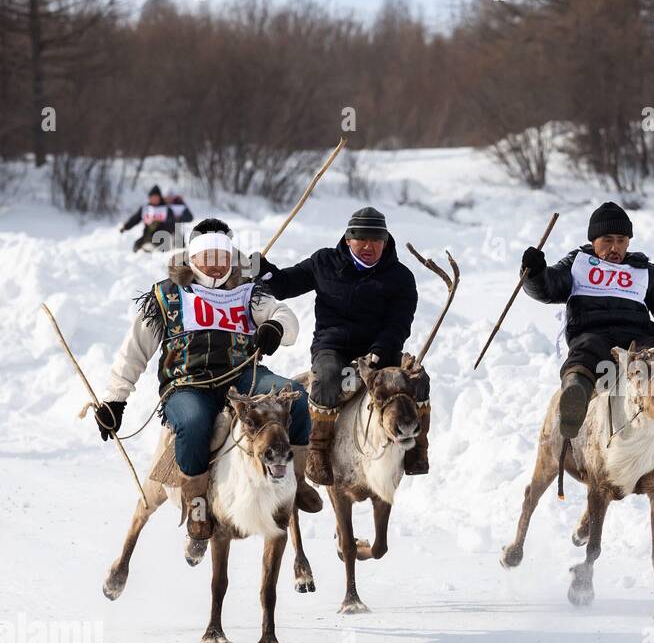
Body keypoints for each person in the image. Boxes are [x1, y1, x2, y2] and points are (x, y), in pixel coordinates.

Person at [93, 218, 318, 558]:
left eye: (222, 256)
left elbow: (287, 318)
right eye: (206, 256)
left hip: (244, 377)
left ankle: (296, 481)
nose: (215, 263)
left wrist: (274, 327)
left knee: (297, 398)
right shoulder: (168, 295)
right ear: (192, 259)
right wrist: (115, 399)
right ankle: (197, 506)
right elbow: (134, 350)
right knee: (195, 422)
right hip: (188, 382)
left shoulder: (248, 291)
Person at [257, 207, 424, 486]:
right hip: (333, 347)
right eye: (362, 240)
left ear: (385, 241)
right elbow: (285, 285)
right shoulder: (324, 262)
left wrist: (381, 351)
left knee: (419, 380)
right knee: (327, 377)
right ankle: (319, 450)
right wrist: (264, 272)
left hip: (381, 350)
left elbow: (399, 324)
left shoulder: (400, 277)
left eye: (377, 240)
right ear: (348, 239)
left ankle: (418, 449)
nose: (369, 246)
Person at [519, 201, 654, 439]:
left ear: (628, 241)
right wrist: (534, 272)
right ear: (593, 241)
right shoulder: (578, 265)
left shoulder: (645, 272)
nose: (614, 247)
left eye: (621, 240)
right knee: (585, 351)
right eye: (607, 240)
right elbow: (547, 288)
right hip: (593, 337)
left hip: (637, 344)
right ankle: (575, 396)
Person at [119, 185, 176, 253]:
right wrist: (125, 227)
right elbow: (135, 219)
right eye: (152, 197)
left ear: (160, 198)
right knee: (136, 245)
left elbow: (173, 224)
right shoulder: (145, 209)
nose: (154, 199)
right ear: (149, 198)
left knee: (153, 246)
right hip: (147, 235)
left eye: (156, 197)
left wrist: (160, 223)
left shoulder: (166, 209)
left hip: (162, 236)